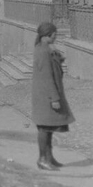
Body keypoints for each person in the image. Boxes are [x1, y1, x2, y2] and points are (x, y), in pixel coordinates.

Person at [31, 22, 74, 171]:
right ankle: (42, 159)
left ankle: (49, 157)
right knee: (44, 128)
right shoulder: (43, 51)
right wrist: (54, 98)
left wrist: (58, 58)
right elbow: (46, 77)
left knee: (48, 128)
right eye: (54, 34)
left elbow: (53, 68)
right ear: (47, 35)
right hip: (46, 97)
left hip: (45, 96)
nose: (56, 36)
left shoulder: (45, 49)